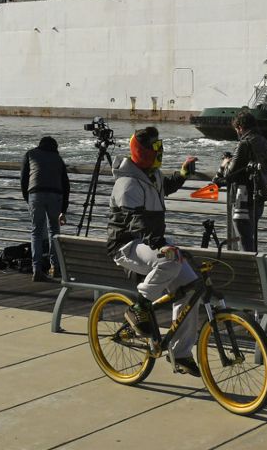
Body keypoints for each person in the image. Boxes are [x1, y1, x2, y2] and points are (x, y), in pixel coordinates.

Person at [104, 127, 200, 375]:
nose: (159, 152)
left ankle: (180, 353)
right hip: (127, 245)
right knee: (169, 261)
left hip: (151, 241)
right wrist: (161, 245)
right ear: (144, 152)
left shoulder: (151, 175)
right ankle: (140, 305)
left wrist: (181, 174)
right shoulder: (126, 184)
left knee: (191, 288)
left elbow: (163, 187)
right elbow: (137, 222)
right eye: (155, 148)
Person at [222, 110, 267, 252]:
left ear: (240, 127)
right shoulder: (266, 143)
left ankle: (248, 270)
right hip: (259, 197)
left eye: (236, 129)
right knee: (249, 236)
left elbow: (229, 175)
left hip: (242, 199)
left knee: (244, 239)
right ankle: (255, 268)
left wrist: (225, 163)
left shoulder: (243, 144)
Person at [21, 136, 71, 282]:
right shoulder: (58, 158)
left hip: (35, 194)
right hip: (56, 195)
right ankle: (55, 267)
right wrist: (64, 210)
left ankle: (36, 269)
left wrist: (28, 198)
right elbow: (66, 185)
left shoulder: (30, 154)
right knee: (54, 231)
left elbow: (24, 179)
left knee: (36, 231)